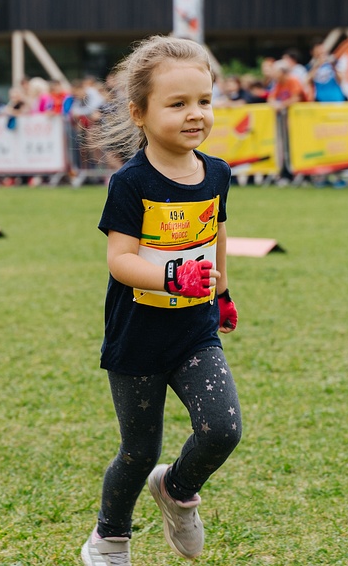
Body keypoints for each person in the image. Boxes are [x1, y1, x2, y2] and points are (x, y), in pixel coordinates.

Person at [81, 36, 241, 566]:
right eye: (177, 104)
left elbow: (216, 233)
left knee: (222, 428)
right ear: (139, 113)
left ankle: (176, 490)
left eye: (204, 101)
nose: (195, 114)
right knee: (137, 451)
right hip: (137, 338)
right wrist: (173, 277)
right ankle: (109, 539)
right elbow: (120, 261)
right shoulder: (130, 183)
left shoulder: (216, 173)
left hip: (196, 332)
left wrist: (222, 293)